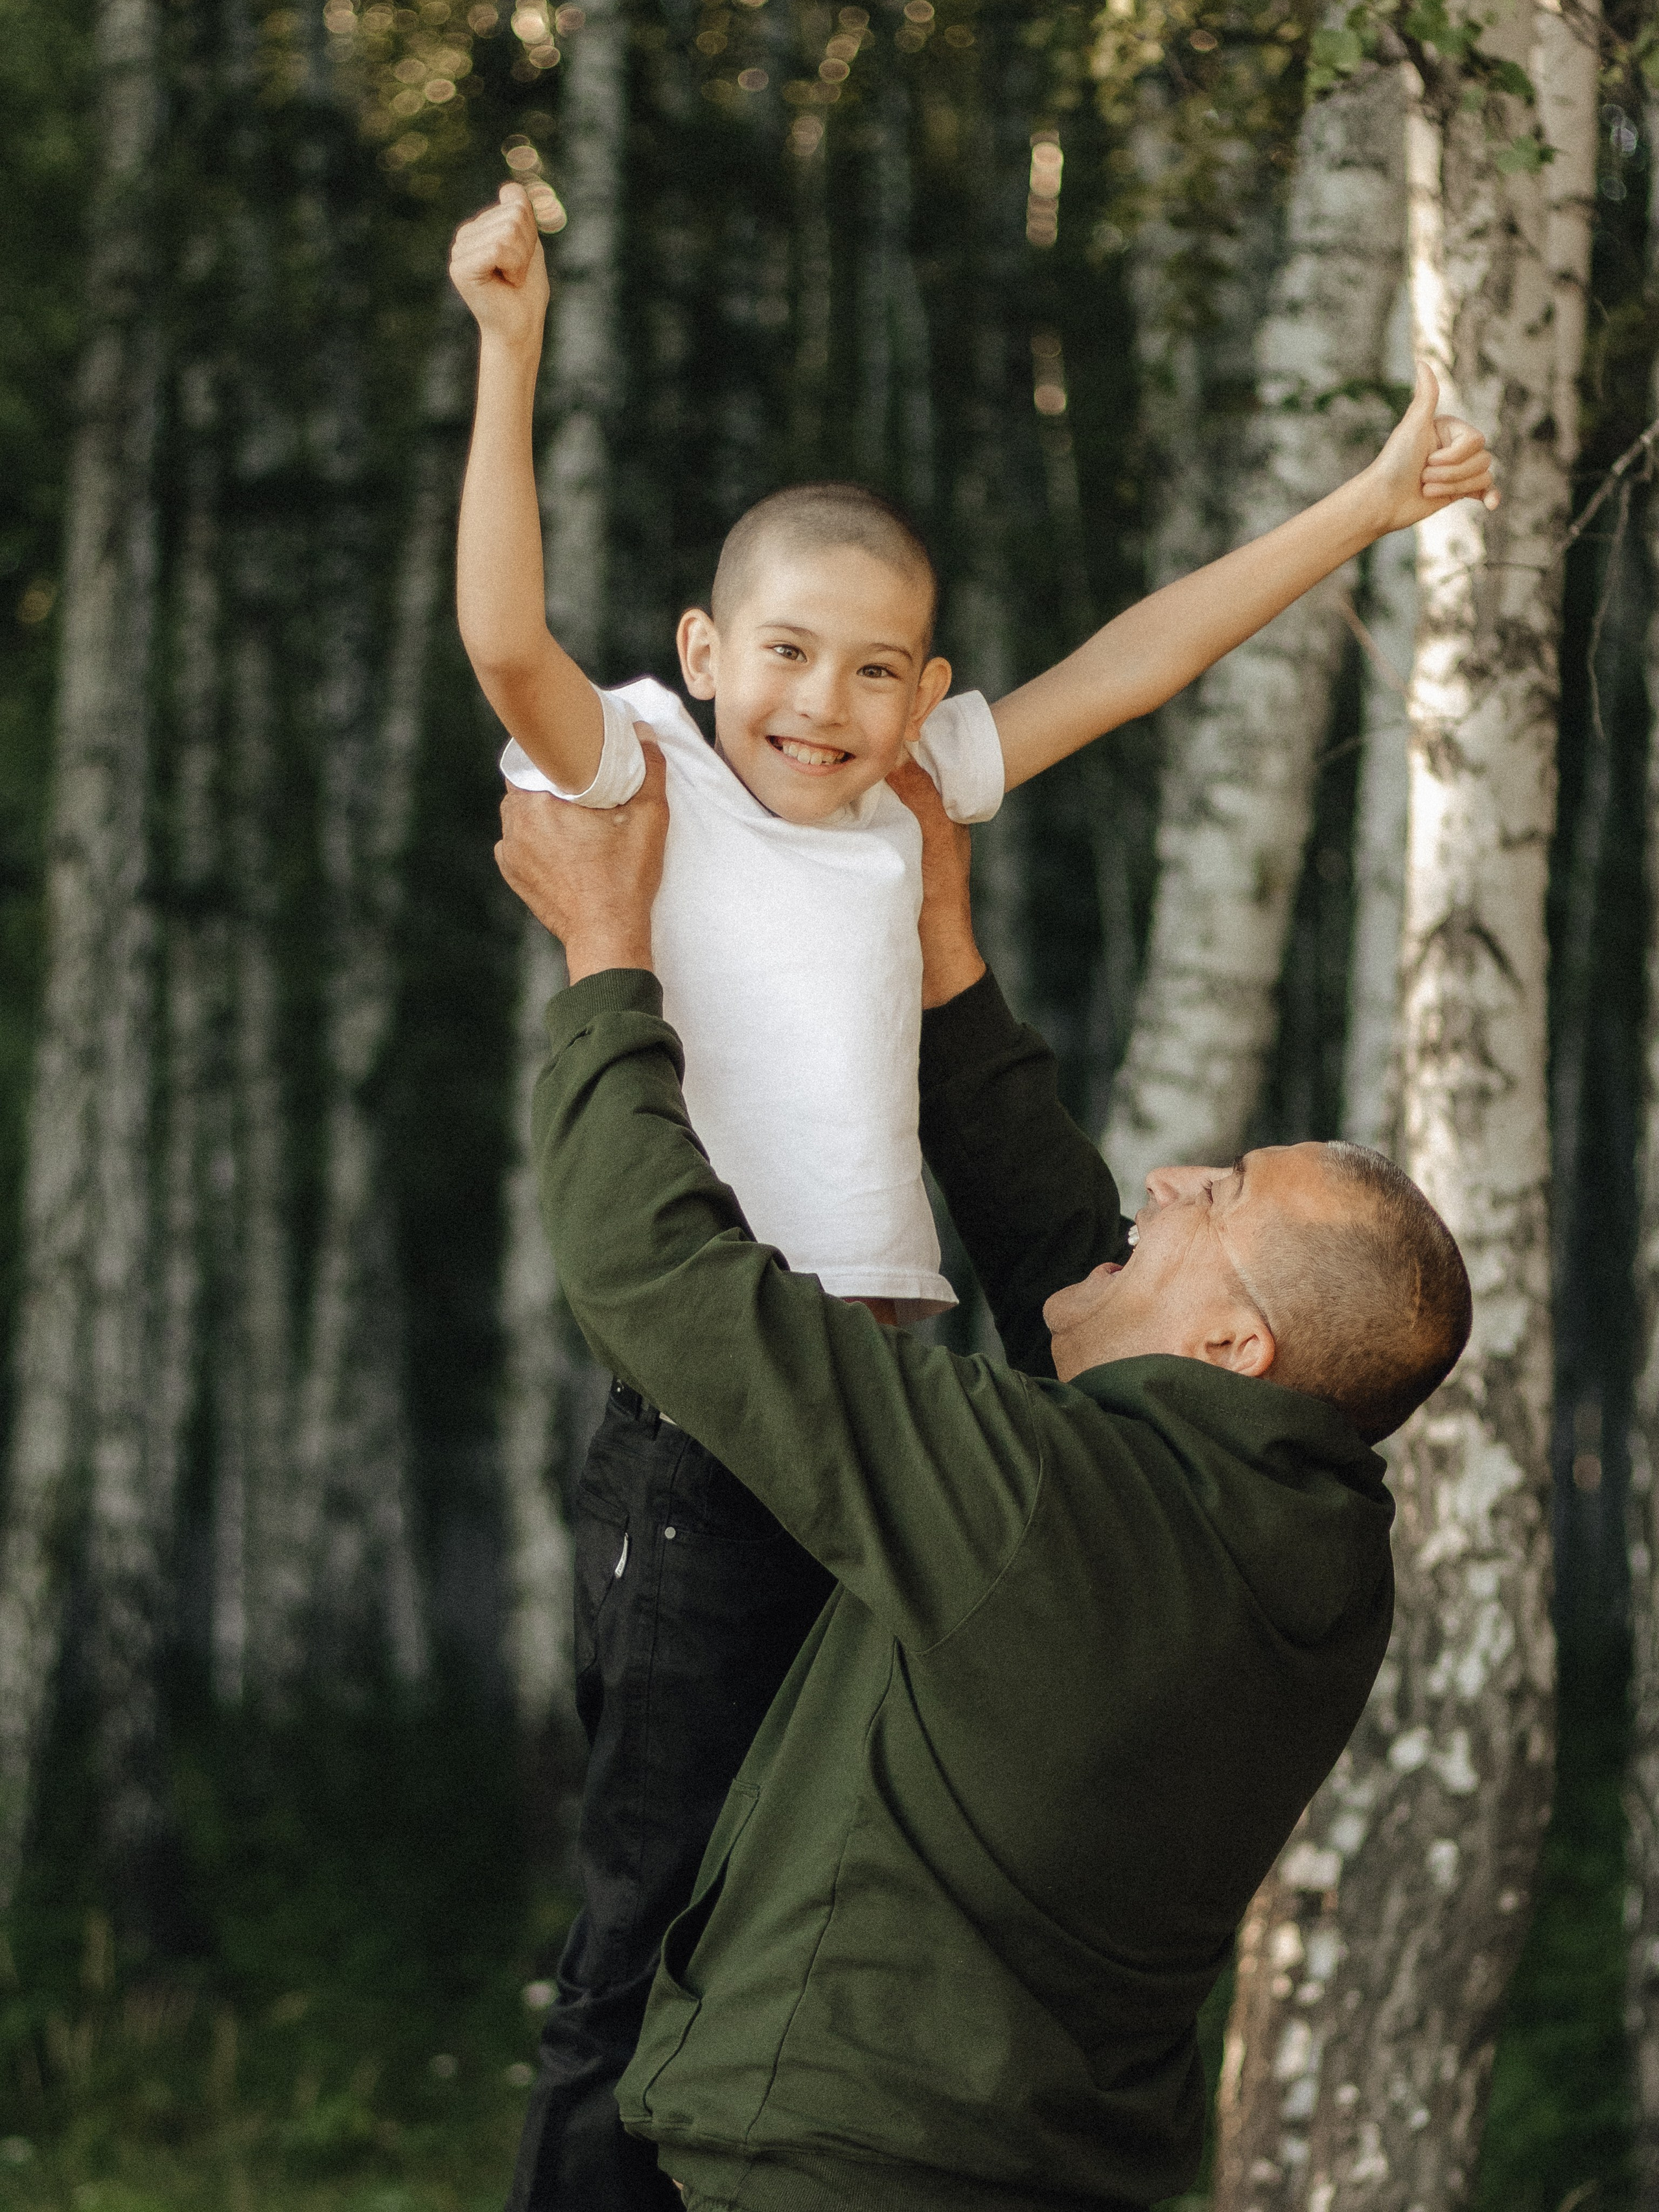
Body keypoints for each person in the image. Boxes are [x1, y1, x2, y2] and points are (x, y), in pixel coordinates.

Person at [447, 180, 1496, 2212]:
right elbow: (501, 634)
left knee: (796, 1853)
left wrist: (1361, 517)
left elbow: (1138, 659)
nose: (826, 708)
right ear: (699, 646)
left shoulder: (900, 794)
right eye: (787, 656)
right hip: (712, 1433)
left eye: (879, 672)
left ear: (925, 687)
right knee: (639, 1913)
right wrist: (507, 353)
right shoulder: (649, 768)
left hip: (901, 1392)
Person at [491, 750, 1472, 2212]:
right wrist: (945, 968)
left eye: (1218, 1197)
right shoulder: (1314, 1555)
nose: (1165, 1185)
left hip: (836, 2174)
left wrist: (604, 958)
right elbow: (1070, 1268)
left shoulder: (1048, 1514)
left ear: (1232, 1341)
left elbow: (670, 1286)